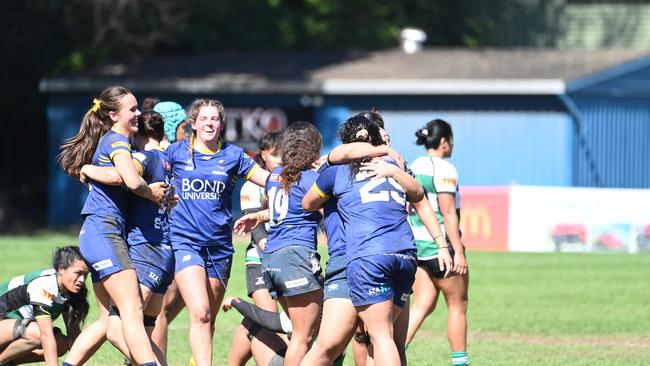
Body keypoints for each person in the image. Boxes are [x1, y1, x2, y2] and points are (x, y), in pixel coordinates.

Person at [302, 116, 452, 366]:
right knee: (383, 340)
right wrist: (442, 245)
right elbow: (420, 198)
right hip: (403, 253)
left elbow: (308, 203)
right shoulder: (394, 162)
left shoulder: (337, 169)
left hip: (361, 256)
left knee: (343, 345)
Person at [58, 86, 167, 366]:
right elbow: (129, 180)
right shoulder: (117, 140)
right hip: (104, 232)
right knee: (132, 310)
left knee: (110, 321)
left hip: (98, 234)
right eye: (132, 109)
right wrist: (150, 193)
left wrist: (87, 169)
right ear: (112, 114)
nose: (138, 114)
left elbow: (114, 174)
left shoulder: (116, 142)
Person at [165, 98, 269, 366]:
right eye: (204, 119)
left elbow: (268, 180)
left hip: (220, 248)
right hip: (185, 242)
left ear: (221, 124)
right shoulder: (175, 152)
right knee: (199, 313)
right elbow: (145, 169)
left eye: (214, 119)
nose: (209, 123)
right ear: (194, 124)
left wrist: (299, 176)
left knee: (208, 317)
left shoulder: (233, 155)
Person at [234, 122, 324, 366]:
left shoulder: (275, 176)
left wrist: (260, 216)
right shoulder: (311, 179)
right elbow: (325, 209)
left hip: (271, 258)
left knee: (298, 329)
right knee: (303, 336)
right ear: (312, 148)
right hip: (296, 257)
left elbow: (282, 208)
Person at [405, 119, 469, 366]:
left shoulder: (414, 165)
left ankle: (393, 355)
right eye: (451, 140)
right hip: (440, 247)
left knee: (422, 305)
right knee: (457, 305)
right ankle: (460, 363)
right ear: (443, 142)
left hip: (418, 247)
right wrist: (459, 251)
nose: (452, 145)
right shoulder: (444, 168)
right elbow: (449, 213)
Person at [228, 131, 282, 366]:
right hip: (259, 261)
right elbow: (254, 224)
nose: (281, 160)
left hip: (287, 261)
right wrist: (265, 246)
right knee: (270, 322)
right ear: (263, 154)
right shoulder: (252, 185)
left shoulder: (291, 181)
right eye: (275, 155)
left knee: (258, 321)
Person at [0, 246, 89, 366]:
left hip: (9, 329)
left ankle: (6, 362)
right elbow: (45, 335)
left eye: (85, 274)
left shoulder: (69, 290)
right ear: (61, 269)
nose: (82, 280)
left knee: (61, 344)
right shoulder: (45, 285)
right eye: (78, 273)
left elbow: (74, 337)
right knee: (37, 334)